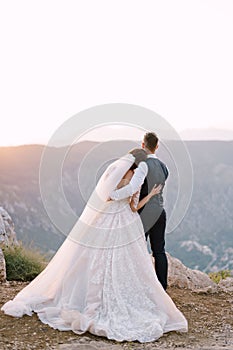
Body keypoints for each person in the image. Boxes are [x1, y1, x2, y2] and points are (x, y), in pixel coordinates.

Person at [1, 149, 187, 343]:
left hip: (105, 217)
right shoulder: (136, 178)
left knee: (94, 255)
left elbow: (108, 195)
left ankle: (87, 295)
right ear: (139, 164)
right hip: (126, 221)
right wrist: (151, 195)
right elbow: (133, 205)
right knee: (128, 259)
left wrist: (114, 197)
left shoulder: (115, 172)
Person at [110, 133, 169, 290]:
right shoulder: (164, 167)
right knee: (159, 251)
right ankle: (162, 287)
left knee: (137, 250)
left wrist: (113, 196)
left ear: (143, 145)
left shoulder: (143, 165)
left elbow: (133, 188)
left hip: (143, 212)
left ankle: (136, 285)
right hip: (160, 211)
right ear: (157, 146)